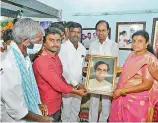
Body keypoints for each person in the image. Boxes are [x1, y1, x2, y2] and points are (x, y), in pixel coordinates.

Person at [33, 27, 87, 122]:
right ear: (44, 42)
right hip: (46, 106)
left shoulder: (56, 57)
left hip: (57, 103)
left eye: (58, 40)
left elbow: (60, 77)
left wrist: (75, 86)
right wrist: (77, 92)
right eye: (51, 40)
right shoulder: (42, 60)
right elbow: (56, 83)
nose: (55, 43)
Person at [1, 29, 53, 122]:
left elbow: (30, 86)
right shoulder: (6, 64)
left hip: (27, 113)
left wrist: (37, 103)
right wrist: (40, 118)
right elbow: (16, 109)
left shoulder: (25, 58)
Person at [109, 30, 158, 122]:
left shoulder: (149, 59)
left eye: (140, 41)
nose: (136, 44)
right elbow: (127, 74)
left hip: (137, 101)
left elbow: (147, 85)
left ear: (146, 43)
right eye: (134, 41)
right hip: (120, 96)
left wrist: (122, 91)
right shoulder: (132, 54)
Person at [85, 20, 119, 122]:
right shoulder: (92, 45)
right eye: (98, 30)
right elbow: (91, 63)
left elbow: (115, 64)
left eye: (103, 30)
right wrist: (87, 59)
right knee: (93, 103)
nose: (101, 33)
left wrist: (114, 82)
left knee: (106, 104)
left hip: (107, 79)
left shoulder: (114, 45)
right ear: (96, 31)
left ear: (108, 31)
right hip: (94, 79)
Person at [59, 22, 87, 122]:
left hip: (80, 85)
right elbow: (64, 70)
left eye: (78, 32)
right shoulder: (62, 47)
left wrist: (86, 69)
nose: (76, 34)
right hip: (67, 85)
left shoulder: (82, 49)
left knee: (76, 110)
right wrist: (77, 84)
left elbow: (81, 66)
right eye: (73, 32)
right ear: (68, 33)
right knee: (66, 112)